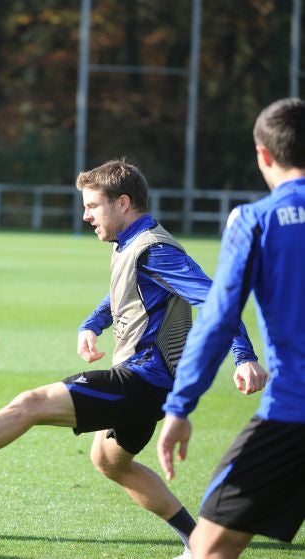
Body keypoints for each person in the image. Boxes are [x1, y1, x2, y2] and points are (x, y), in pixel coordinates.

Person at [0, 159, 268, 559]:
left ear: (123, 202)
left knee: (31, 404)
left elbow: (217, 299)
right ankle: (198, 543)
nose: (85, 215)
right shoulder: (130, 242)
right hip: (141, 382)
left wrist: (244, 356)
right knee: (110, 462)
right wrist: (92, 323)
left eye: (93, 205)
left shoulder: (155, 249)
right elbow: (123, 293)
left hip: (145, 381)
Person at [157, 98, 305, 558]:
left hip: (294, 414)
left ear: (263, 154)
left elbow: (218, 320)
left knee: (209, 548)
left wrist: (180, 406)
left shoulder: (256, 220)